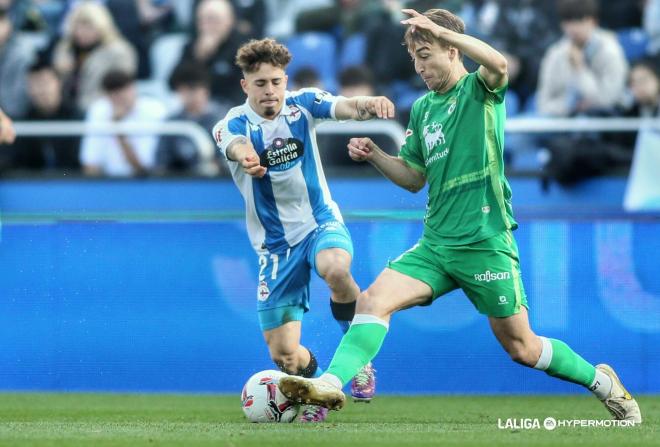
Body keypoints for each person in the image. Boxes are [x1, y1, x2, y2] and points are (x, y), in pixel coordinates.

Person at [279, 8, 643, 424]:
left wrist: (439, 30)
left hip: (485, 242)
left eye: (427, 52)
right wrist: (377, 156)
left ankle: (604, 384)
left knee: (522, 348)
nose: (419, 65)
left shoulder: (479, 89)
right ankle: (330, 384)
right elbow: (415, 179)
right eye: (414, 57)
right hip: (436, 245)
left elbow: (500, 64)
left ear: (452, 51)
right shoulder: (422, 109)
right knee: (372, 300)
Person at [213, 38, 395, 422]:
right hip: (275, 246)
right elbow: (235, 145)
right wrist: (246, 156)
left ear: (285, 80)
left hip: (319, 222)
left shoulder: (302, 104)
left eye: (276, 82)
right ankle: (316, 389)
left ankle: (356, 356)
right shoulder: (231, 123)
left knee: (335, 267)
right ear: (245, 85)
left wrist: (368, 105)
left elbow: (342, 106)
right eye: (260, 83)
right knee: (285, 357)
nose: (270, 91)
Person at [537, 0, 628, 117]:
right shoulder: (555, 53)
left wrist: (580, 70)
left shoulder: (611, 51)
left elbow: (608, 100)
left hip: (602, 122)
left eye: (580, 20)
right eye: (568, 21)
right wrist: (570, 106)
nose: (573, 28)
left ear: (593, 21)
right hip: (561, 120)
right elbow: (543, 103)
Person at [80, 70, 166, 177]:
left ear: (133, 88)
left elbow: (144, 169)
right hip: (107, 183)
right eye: (113, 94)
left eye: (122, 92)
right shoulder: (99, 110)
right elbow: (90, 163)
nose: (118, 98)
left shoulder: (154, 110)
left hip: (143, 184)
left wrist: (118, 129)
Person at [155, 62, 228, 175]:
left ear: (206, 91)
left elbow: (229, 161)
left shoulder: (221, 120)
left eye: (194, 89)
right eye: (184, 90)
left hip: (214, 183)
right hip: (179, 183)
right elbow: (161, 162)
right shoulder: (172, 122)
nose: (189, 95)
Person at [13, 59, 81, 172]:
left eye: (45, 83)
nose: (41, 90)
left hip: (72, 183)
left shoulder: (77, 117)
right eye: (34, 84)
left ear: (59, 82)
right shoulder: (24, 122)